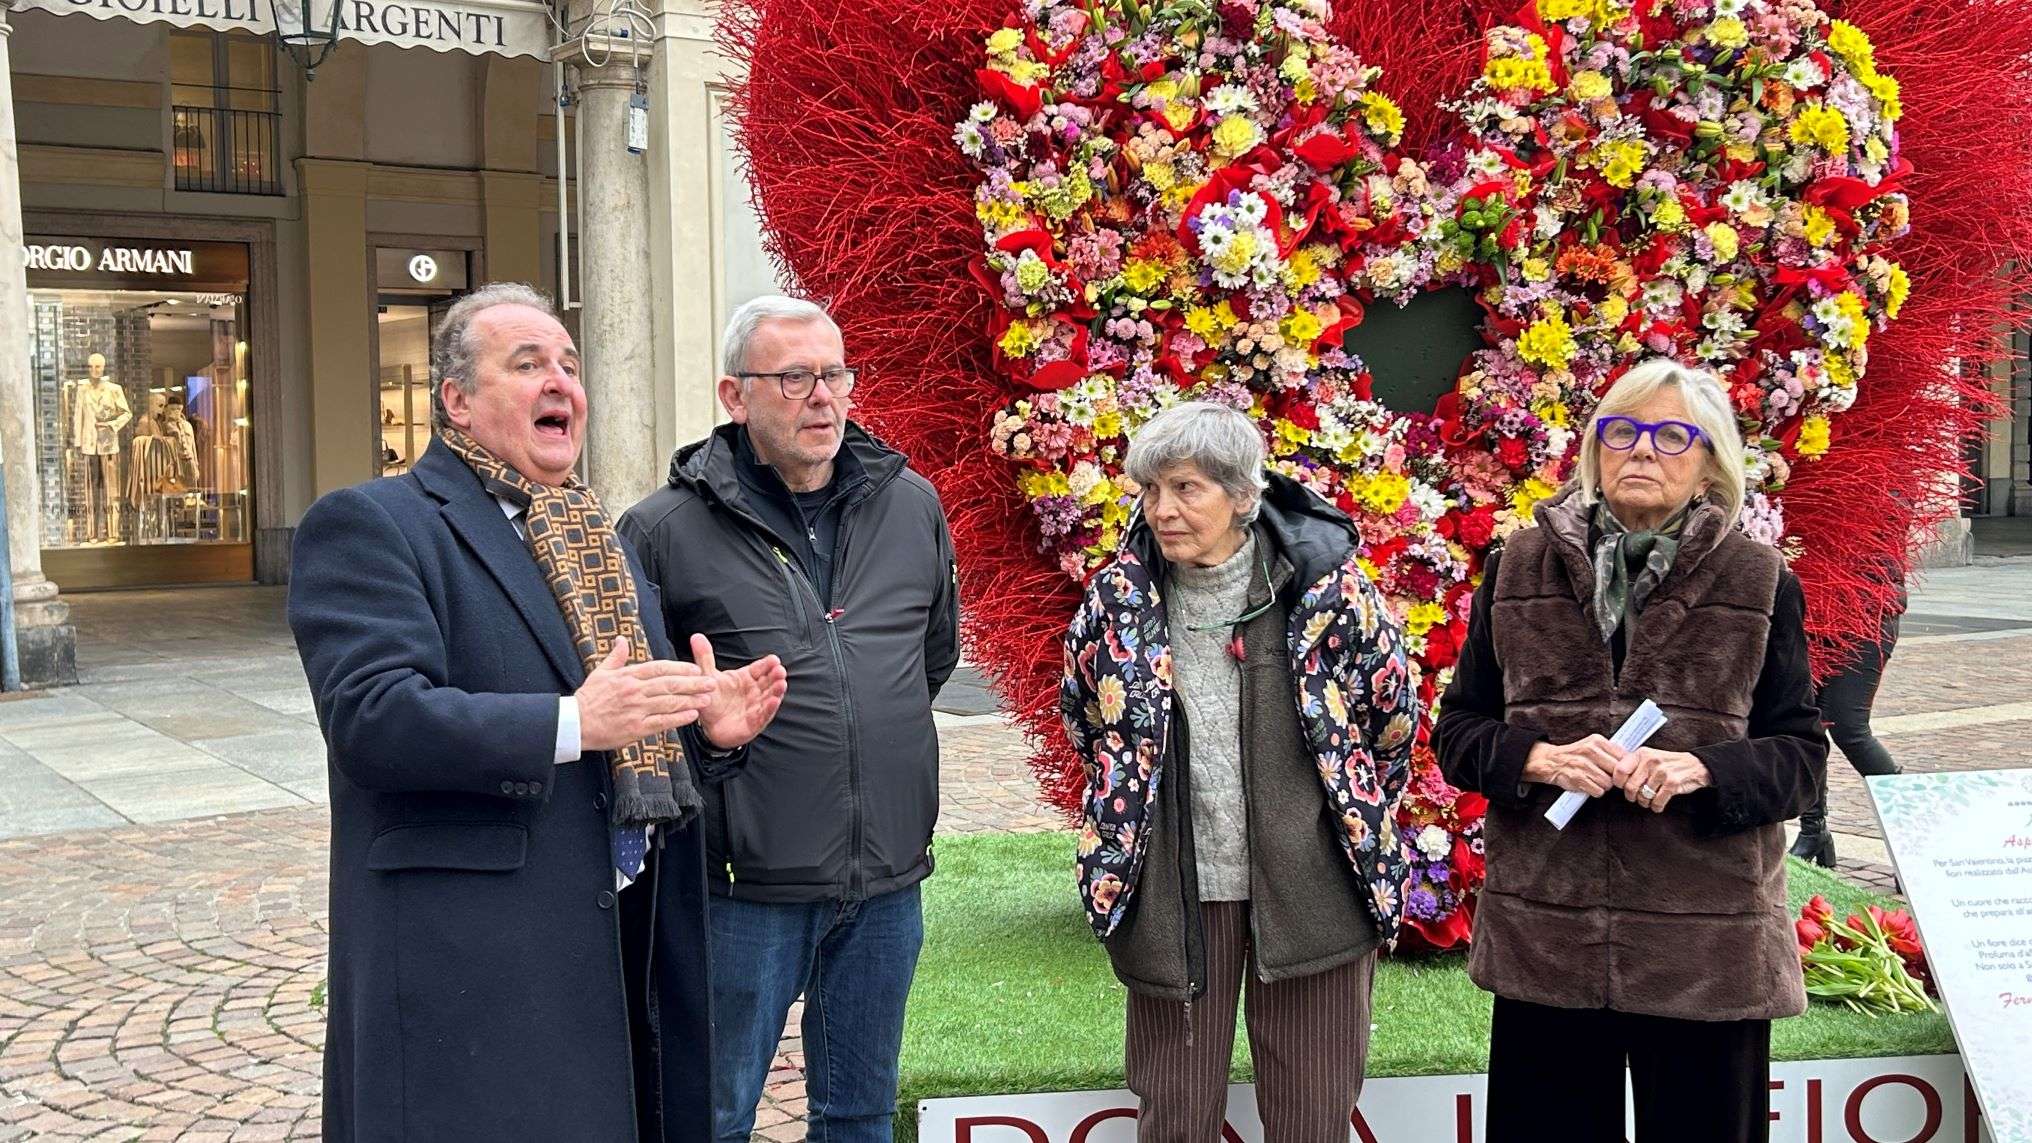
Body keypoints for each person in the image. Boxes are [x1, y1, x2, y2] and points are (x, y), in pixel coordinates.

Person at [289, 282, 789, 1143]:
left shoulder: (598, 537)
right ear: (457, 401)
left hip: (618, 953)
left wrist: (702, 734)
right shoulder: (373, 523)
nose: (561, 382)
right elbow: (373, 719)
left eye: (569, 364)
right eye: (527, 365)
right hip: (474, 980)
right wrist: (570, 723)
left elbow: (623, 726)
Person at [1433, 358, 1829, 1143]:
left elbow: (1802, 758)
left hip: (1705, 949)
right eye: (1622, 431)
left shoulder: (1758, 581)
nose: (1642, 450)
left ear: (1710, 462)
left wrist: (1704, 768)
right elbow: (1458, 732)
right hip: (1549, 943)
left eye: (1671, 435)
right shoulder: (1516, 569)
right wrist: (1539, 759)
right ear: (1595, 449)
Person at [618, 295, 959, 1142]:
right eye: (795, 378)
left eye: (836, 374)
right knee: (712, 1116)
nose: (824, 397)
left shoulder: (911, 503)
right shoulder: (662, 530)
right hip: (742, 890)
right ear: (735, 396)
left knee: (860, 1116)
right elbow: (633, 721)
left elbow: (928, 659)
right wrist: (709, 740)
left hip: (885, 882)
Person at [1058, 401, 1419, 1142]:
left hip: (1315, 883)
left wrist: (1334, 822)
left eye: (1186, 488)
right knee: (1174, 1113)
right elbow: (1089, 721)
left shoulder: (1327, 590)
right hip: (1175, 889)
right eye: (1150, 490)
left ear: (1242, 494)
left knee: (1313, 1113)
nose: (1162, 509)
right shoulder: (1119, 599)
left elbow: (1389, 723)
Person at [1790, 559, 1906, 866]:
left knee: (1848, 726)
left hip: (1867, 609)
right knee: (1803, 722)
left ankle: (1912, 835)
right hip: (1809, 607)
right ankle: (1813, 831)